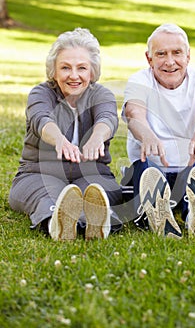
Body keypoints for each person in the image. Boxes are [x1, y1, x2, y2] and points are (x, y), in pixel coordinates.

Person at [9, 27, 123, 241]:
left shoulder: (101, 95)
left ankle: (92, 219)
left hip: (91, 174)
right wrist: (60, 141)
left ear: (92, 71)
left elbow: (107, 119)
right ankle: (58, 220)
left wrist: (97, 137)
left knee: (100, 192)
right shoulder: (41, 93)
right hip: (39, 174)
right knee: (52, 196)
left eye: (82, 68)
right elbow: (41, 119)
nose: (74, 76)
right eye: (65, 68)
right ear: (53, 71)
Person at [121, 23, 195, 238]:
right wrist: (147, 135)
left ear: (188, 55)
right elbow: (134, 114)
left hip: (192, 169)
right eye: (161, 54)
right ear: (149, 59)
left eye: (177, 53)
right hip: (152, 170)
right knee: (144, 173)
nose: (170, 62)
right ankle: (156, 211)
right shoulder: (139, 80)